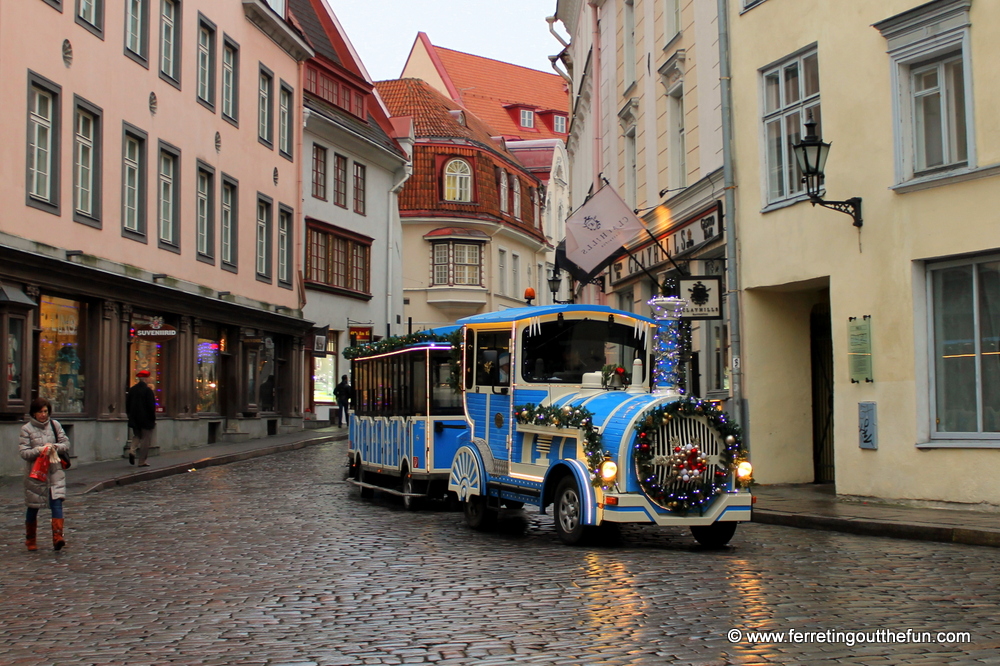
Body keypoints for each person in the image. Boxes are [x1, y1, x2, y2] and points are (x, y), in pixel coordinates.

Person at [19, 397, 70, 551]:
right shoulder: (26, 429)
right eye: (40, 412)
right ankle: (31, 539)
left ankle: (58, 537)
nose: (43, 414)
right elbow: (23, 452)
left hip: (54, 471)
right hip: (36, 474)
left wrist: (54, 446)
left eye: (46, 411)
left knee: (57, 502)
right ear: (34, 413)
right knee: (33, 506)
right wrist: (39, 450)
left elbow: (65, 444)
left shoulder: (55, 425)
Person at [126, 369, 157, 466]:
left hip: (134, 418)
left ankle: (132, 450)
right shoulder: (148, 391)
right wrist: (152, 418)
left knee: (137, 436)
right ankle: (141, 461)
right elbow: (151, 406)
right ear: (146, 379)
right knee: (145, 440)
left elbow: (127, 404)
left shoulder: (132, 389)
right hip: (146, 419)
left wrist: (130, 416)